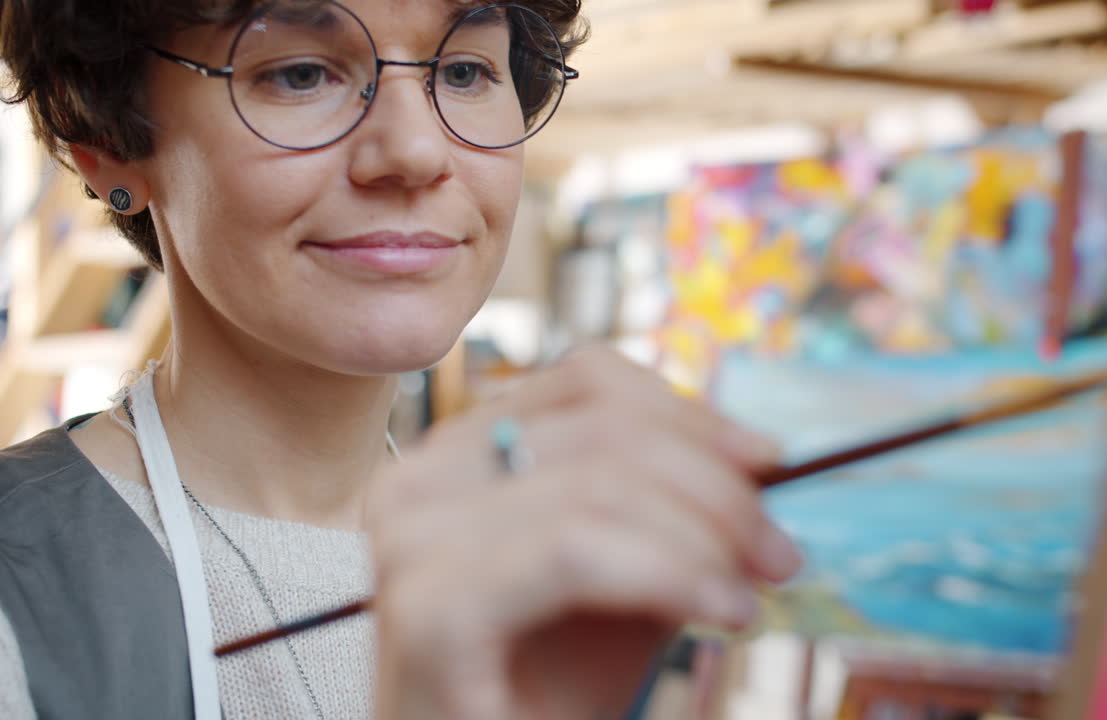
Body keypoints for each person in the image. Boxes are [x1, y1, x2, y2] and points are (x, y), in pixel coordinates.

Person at [0, 0, 804, 718]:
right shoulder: (25, 585)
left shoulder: (531, 559)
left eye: (463, 71)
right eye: (302, 74)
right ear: (107, 145)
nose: (416, 151)